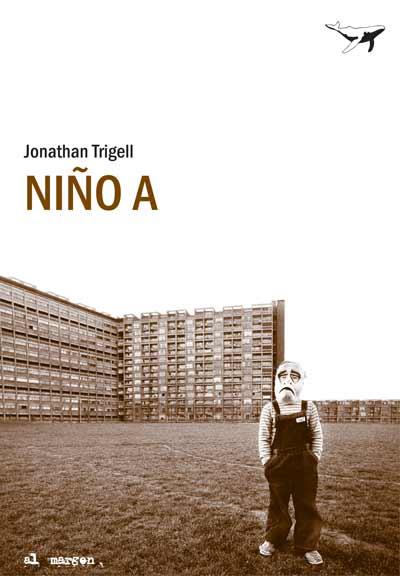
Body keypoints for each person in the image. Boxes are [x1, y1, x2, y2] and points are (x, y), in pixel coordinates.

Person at [258, 361, 323, 565]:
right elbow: (263, 438)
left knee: (306, 505)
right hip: (279, 464)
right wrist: (267, 461)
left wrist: (314, 457)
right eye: (283, 375)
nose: (288, 380)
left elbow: (317, 435)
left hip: (305, 465)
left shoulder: (308, 407)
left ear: (302, 381)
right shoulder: (270, 408)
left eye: (294, 376)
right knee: (278, 505)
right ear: (276, 380)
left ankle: (307, 546)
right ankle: (273, 539)